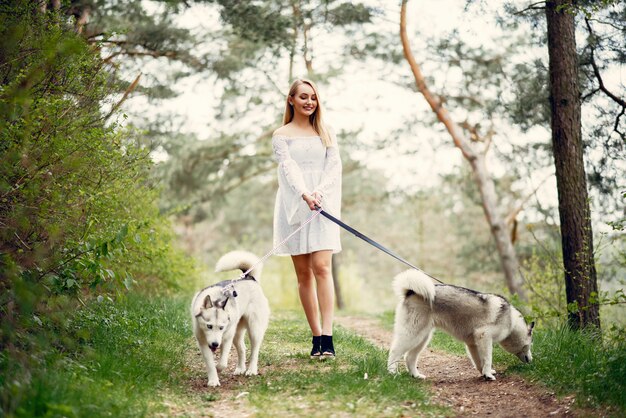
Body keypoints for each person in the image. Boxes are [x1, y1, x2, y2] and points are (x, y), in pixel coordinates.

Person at [271, 79, 342, 359]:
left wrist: (319, 193)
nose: (309, 102)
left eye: (313, 97)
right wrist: (304, 194)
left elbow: (334, 166)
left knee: (322, 267)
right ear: (291, 100)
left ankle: (328, 337)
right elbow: (288, 168)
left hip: (323, 203)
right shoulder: (281, 134)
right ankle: (315, 337)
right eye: (303, 97)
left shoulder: (326, 131)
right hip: (294, 204)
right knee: (303, 273)